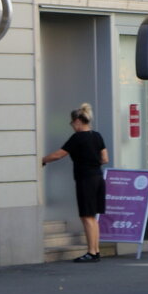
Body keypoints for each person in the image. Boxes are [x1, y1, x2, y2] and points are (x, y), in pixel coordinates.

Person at [42, 103, 108, 262]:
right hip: (98, 178)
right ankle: (96, 250)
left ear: (78, 121)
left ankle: (91, 252)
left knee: (86, 217)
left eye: (72, 123)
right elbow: (105, 159)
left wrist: (42, 160)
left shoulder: (77, 138)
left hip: (85, 179)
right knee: (92, 217)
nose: (72, 126)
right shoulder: (97, 135)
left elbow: (59, 155)